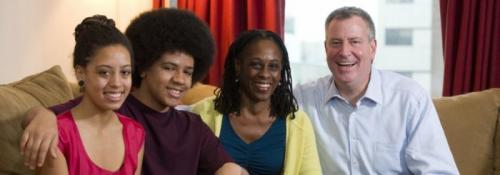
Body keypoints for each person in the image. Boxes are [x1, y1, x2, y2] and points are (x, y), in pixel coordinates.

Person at [21, 9, 245, 175]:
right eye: (169, 68)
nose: (180, 80)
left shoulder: (192, 126)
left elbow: (231, 168)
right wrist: (43, 116)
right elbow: (48, 117)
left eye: (188, 72)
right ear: (144, 66)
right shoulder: (112, 106)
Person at [293, 6, 459, 174]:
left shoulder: (410, 99)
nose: (344, 52)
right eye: (336, 43)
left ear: (372, 49)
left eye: (354, 41)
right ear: (325, 49)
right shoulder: (302, 99)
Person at [191, 30, 322, 174]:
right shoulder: (203, 113)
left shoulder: (298, 122)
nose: (265, 74)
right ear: (238, 66)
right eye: (256, 65)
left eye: (273, 66)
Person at [36, 15, 145, 175]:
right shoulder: (57, 135)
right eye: (104, 72)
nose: (116, 83)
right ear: (81, 73)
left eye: (125, 72)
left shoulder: (135, 132)